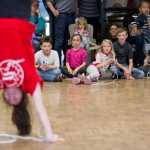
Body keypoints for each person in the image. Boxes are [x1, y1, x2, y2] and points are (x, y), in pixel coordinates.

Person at [0, 0, 59, 142]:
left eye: (9, 100)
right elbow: (40, 108)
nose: (11, 98)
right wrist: (49, 135)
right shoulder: (29, 81)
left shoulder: (1, 79)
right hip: (19, 15)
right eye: (16, 100)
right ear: (23, 96)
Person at [45, 0, 76, 66]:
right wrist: (53, 10)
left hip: (72, 15)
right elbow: (48, 1)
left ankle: (67, 65)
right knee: (59, 42)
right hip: (61, 15)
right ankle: (57, 65)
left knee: (69, 42)